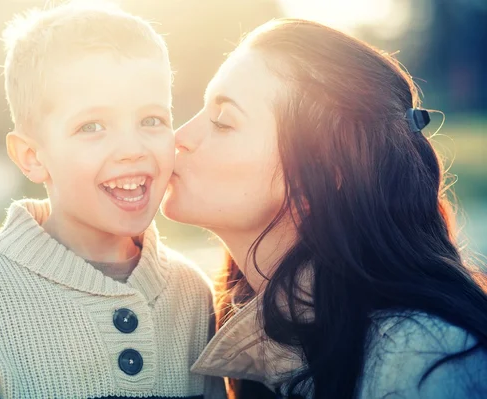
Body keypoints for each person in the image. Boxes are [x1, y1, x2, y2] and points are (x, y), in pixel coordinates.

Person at [162, 18, 487, 399]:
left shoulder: (420, 360)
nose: (178, 137)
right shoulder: (247, 329)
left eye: (222, 121)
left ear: (319, 176)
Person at [0, 3, 224, 398]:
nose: (132, 148)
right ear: (32, 157)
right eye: (91, 126)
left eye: (151, 120)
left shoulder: (192, 294)